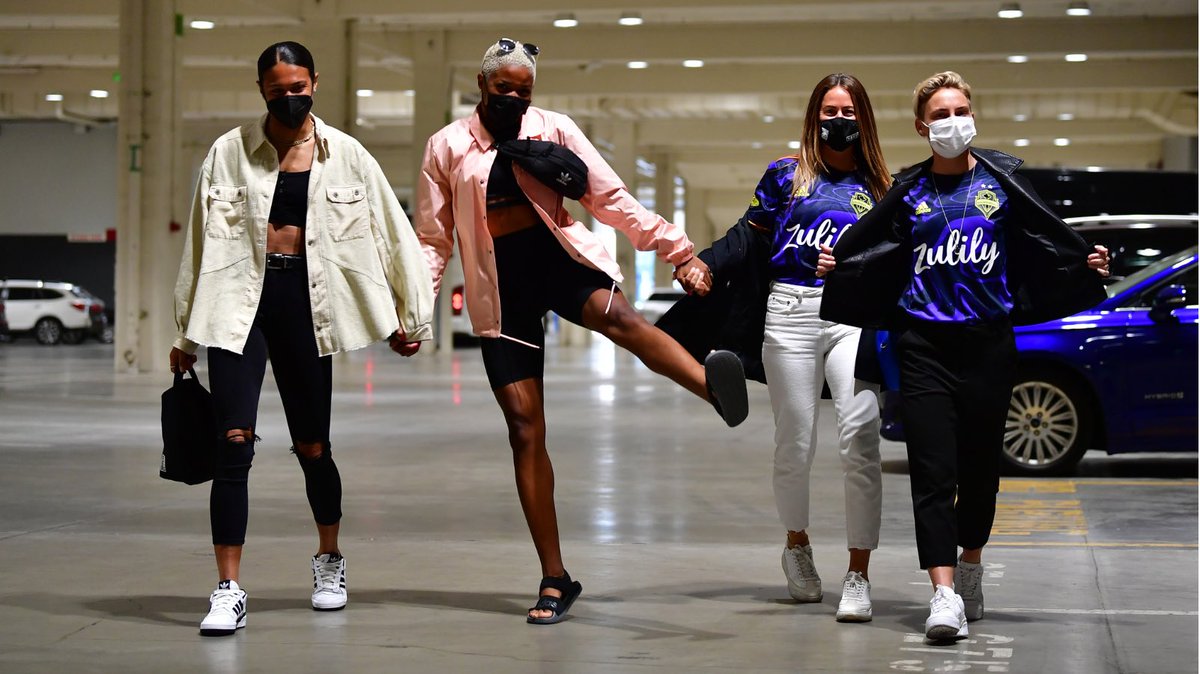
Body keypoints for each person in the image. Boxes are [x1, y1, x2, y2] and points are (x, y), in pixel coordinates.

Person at [415, 38, 748, 625]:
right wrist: (417, 311)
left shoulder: (555, 128)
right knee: (525, 430)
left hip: (559, 262)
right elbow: (433, 238)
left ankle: (713, 388)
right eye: (503, 88)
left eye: (524, 90)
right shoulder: (446, 146)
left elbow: (610, 198)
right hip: (501, 290)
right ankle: (555, 577)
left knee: (623, 320)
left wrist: (677, 249)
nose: (514, 98)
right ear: (482, 84)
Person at [817, 71, 1110, 642]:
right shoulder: (909, 190)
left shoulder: (1002, 183)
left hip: (988, 345)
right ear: (921, 127)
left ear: (972, 116)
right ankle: (943, 593)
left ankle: (970, 563)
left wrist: (1083, 265)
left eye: (960, 111)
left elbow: (1041, 246)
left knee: (979, 473)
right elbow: (874, 251)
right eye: (940, 115)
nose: (952, 122)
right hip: (923, 346)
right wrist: (842, 265)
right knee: (932, 472)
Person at [169, 41, 434, 637]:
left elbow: (392, 233)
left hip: (308, 305)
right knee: (232, 442)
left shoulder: (348, 155)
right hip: (237, 304)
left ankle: (329, 559)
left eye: (298, 87)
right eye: (277, 90)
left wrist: (409, 316)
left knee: (313, 446)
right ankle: (228, 589)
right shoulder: (228, 152)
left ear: (314, 81)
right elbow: (198, 244)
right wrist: (186, 331)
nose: (289, 97)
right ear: (260, 89)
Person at [669, 73, 891, 622]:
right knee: (795, 443)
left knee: (860, 439)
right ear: (814, 117)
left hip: (852, 318)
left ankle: (859, 573)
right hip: (789, 314)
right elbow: (747, 235)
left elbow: (896, 259)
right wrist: (703, 262)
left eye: (848, 111)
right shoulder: (786, 175)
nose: (838, 120)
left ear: (864, 119)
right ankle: (797, 546)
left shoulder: (882, 187)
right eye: (829, 111)